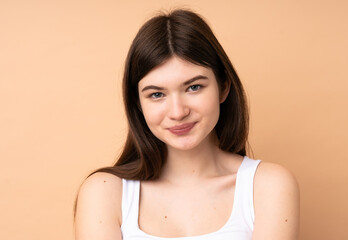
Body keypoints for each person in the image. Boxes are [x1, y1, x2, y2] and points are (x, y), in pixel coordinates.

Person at [74, 9, 299, 240]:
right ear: (138, 104)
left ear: (223, 87)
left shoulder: (268, 187)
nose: (178, 112)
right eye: (156, 94)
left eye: (194, 87)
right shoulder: (103, 193)